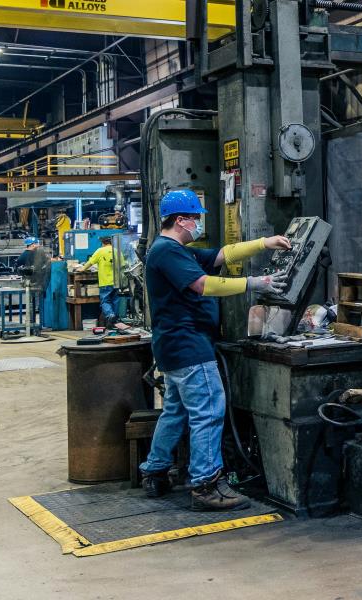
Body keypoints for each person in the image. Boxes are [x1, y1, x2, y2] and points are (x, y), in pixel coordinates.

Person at [140, 189, 291, 511]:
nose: (198, 224)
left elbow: (223, 254)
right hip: (189, 347)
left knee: (176, 411)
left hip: (174, 348)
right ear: (181, 220)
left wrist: (265, 243)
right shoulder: (167, 252)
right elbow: (204, 285)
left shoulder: (175, 250)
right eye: (195, 219)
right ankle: (206, 486)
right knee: (208, 411)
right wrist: (254, 283)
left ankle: (155, 471)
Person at [79, 236, 120, 326]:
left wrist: (82, 269)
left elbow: (90, 262)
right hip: (117, 281)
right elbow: (123, 264)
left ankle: (110, 315)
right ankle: (115, 321)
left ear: (103, 243)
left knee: (105, 301)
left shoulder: (100, 251)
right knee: (115, 300)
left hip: (105, 281)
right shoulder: (116, 251)